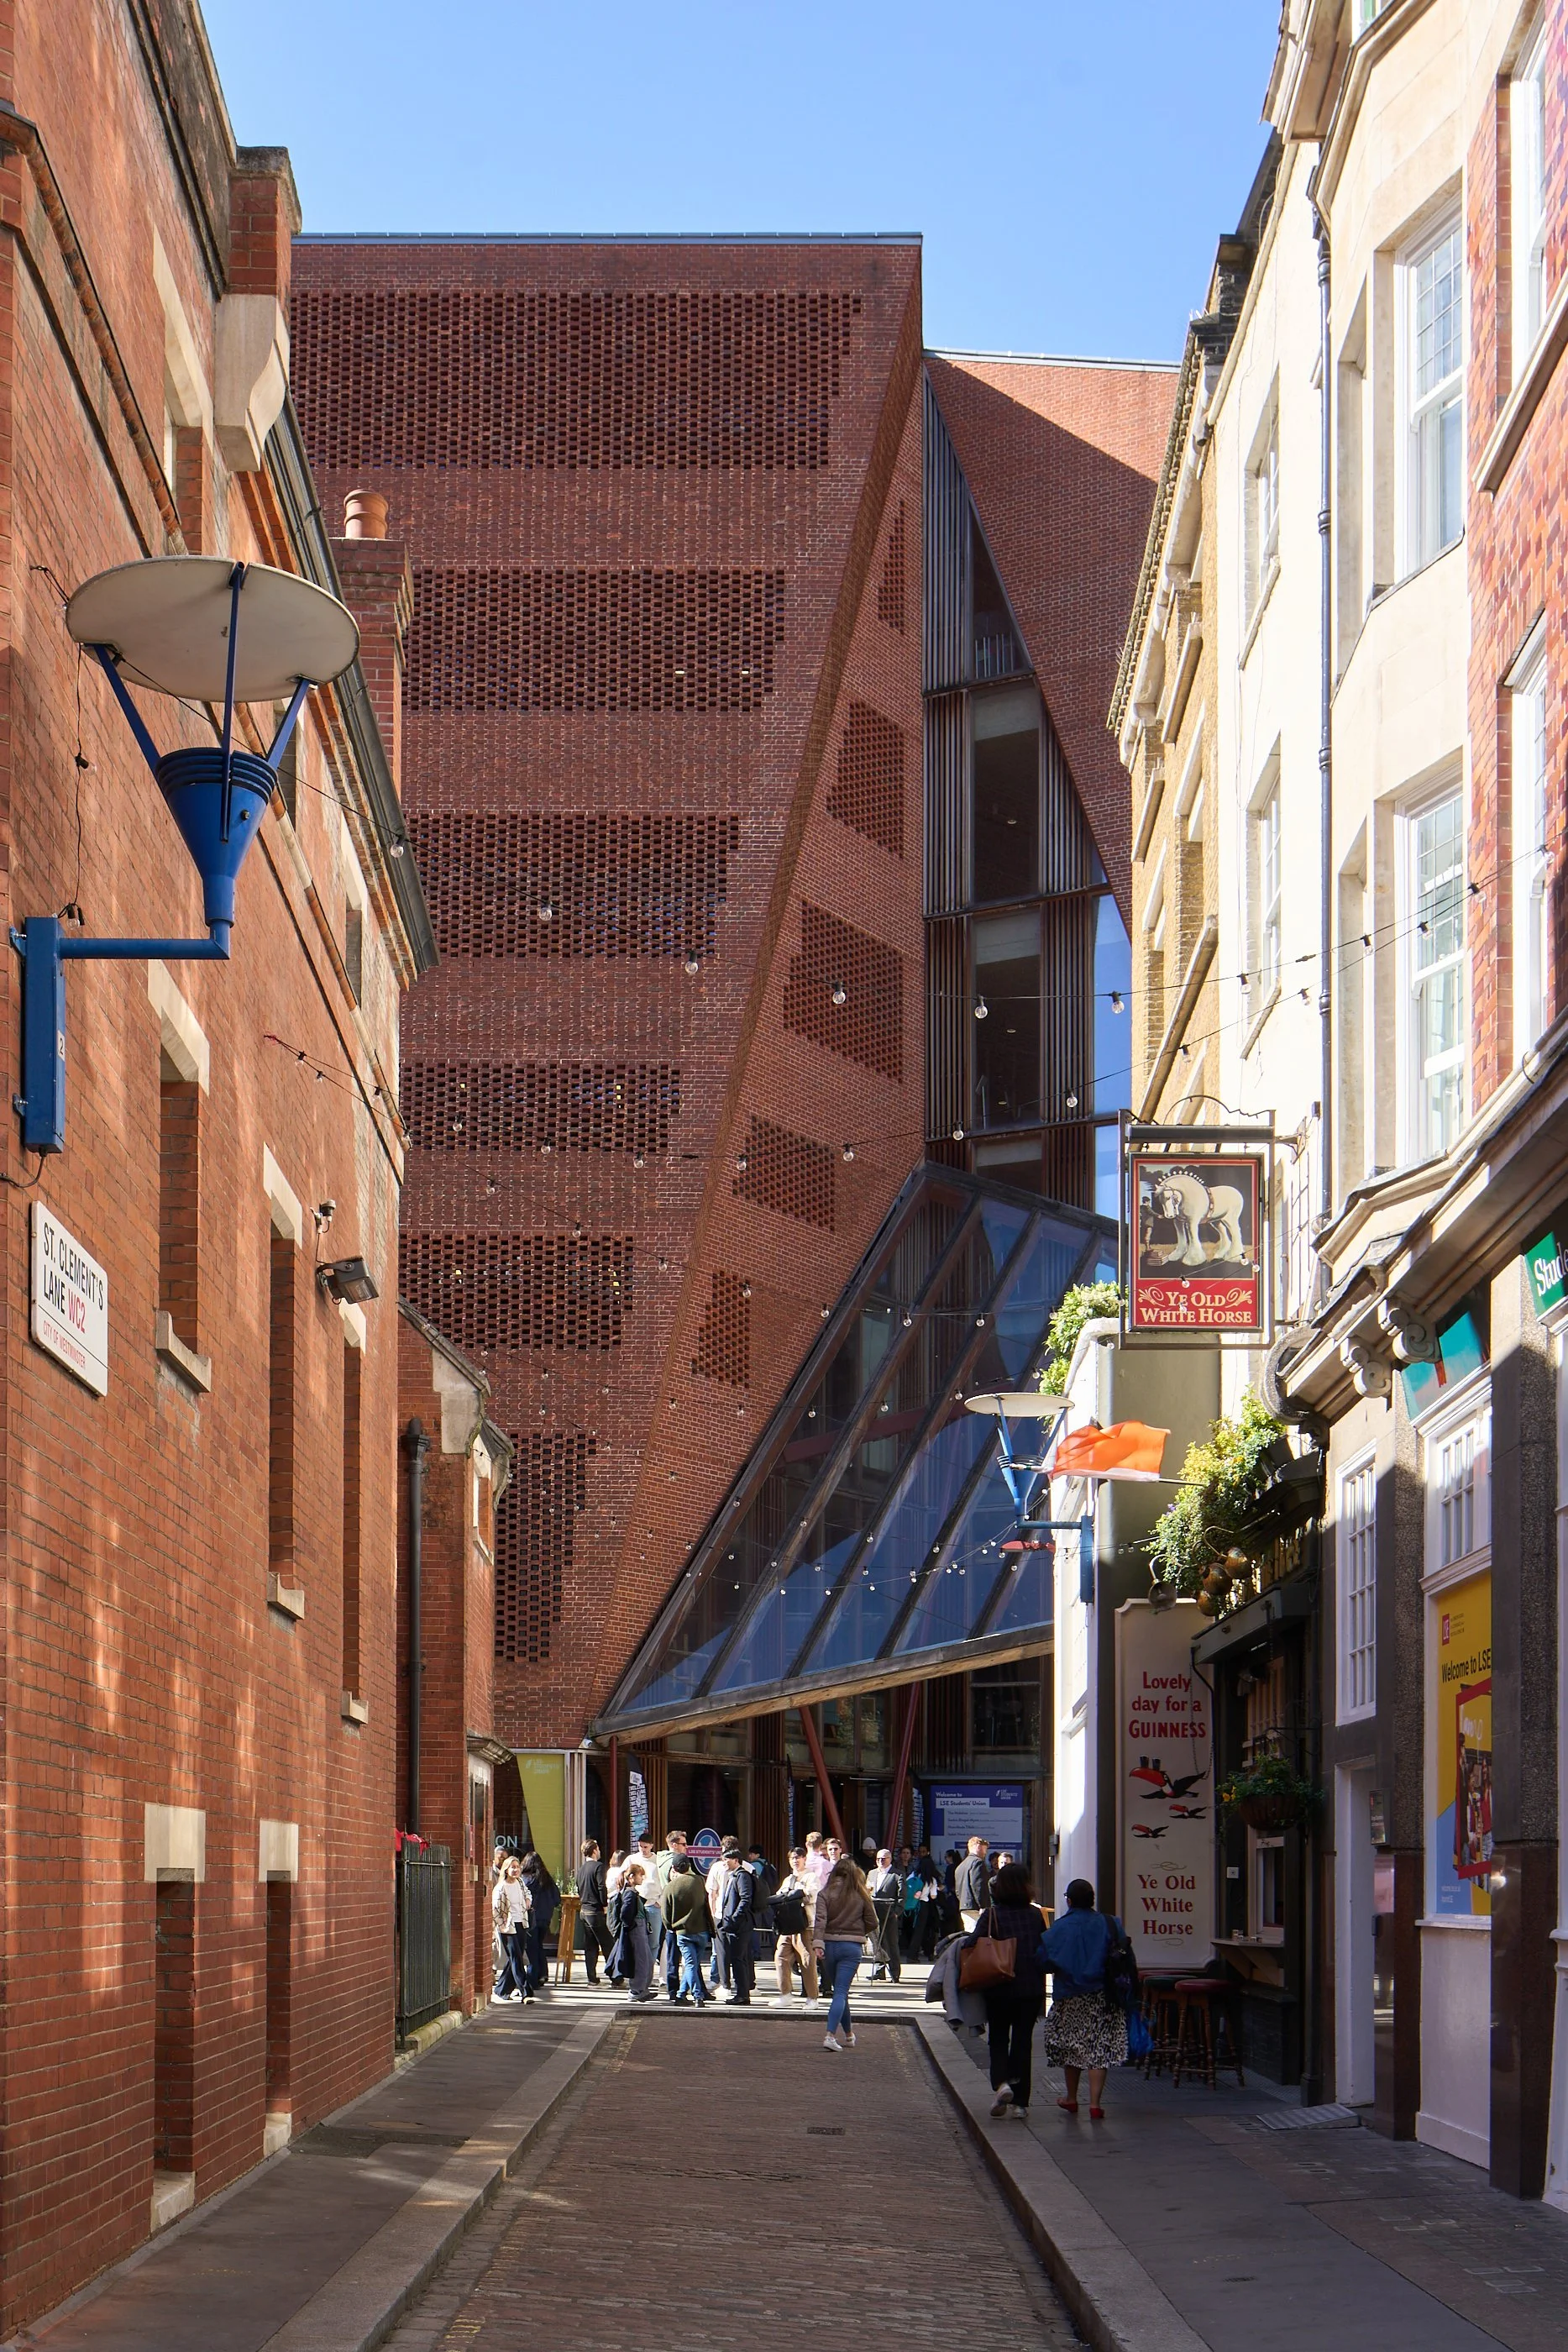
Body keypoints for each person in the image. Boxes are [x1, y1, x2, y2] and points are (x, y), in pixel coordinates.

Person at [962, 1861, 1046, 2118]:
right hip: (1030, 1989)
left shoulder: (992, 1915)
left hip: (998, 1987)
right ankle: (1020, 2103)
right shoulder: (1035, 1915)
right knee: (1023, 2043)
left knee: (998, 2039)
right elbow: (1044, 1948)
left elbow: (971, 1943)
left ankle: (1001, 2084)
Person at [1041, 1877, 1127, 2118]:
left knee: (1072, 2046)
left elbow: (1043, 1960)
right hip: (1102, 1994)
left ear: (1068, 1900)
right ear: (1092, 1900)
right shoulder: (1110, 1923)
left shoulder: (1059, 1928)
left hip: (1069, 1995)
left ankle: (1071, 2098)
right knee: (1099, 2047)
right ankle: (1095, 2104)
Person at [812, 1851, 878, 2052]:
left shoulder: (825, 1894)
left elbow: (820, 1921)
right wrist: (859, 1931)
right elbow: (873, 1921)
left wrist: (818, 1943)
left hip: (829, 1945)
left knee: (840, 1992)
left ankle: (849, 2035)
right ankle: (830, 2035)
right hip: (851, 1946)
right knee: (841, 1992)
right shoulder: (861, 1894)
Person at [659, 1846, 714, 2005]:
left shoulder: (670, 1887)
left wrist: (670, 1927)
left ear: (674, 1868)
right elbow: (705, 1903)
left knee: (690, 1964)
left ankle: (697, 1996)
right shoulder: (699, 1881)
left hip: (682, 1932)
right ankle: (682, 1994)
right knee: (693, 1964)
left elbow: (665, 1914)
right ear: (689, 1866)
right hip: (701, 1930)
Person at [768, 1846, 820, 2004]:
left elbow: (812, 1895)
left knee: (807, 1961)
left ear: (804, 1859)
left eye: (798, 1857)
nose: (795, 1861)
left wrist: (795, 1894)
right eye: (792, 1858)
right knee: (780, 1957)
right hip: (787, 1925)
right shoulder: (788, 1879)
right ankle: (785, 1994)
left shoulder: (811, 1877)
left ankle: (812, 1998)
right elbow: (780, 1896)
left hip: (805, 1924)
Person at [714, 1838, 756, 2004]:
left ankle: (743, 1995)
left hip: (740, 1926)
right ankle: (741, 1994)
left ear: (736, 1860)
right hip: (733, 1924)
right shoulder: (734, 1875)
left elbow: (745, 1899)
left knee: (739, 1959)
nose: (724, 1863)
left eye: (727, 1860)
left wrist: (734, 1919)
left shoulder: (742, 1876)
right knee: (737, 1959)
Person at [610, 1859, 656, 1999]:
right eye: (640, 1875)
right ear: (631, 1877)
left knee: (646, 1960)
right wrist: (632, 1926)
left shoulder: (631, 1892)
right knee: (642, 1960)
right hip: (636, 1929)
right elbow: (625, 1914)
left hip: (638, 1928)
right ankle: (637, 1991)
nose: (642, 1878)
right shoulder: (630, 1893)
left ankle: (642, 1989)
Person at [490, 1857, 532, 2004]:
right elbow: (495, 1909)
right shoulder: (501, 1887)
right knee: (516, 1959)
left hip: (521, 1923)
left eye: (517, 1867)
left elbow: (527, 1893)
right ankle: (525, 1992)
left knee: (515, 1958)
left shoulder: (520, 1883)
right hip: (508, 1927)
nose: (516, 1870)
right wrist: (501, 1926)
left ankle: (501, 1989)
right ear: (506, 1870)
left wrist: (528, 1900)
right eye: (512, 1867)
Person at [655, 1830, 691, 2000]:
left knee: (667, 1948)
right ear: (674, 1845)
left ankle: (669, 1983)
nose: (686, 1847)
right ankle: (680, 1987)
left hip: (664, 1908)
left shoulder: (658, 1859)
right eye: (683, 1844)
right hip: (678, 1910)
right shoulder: (677, 1863)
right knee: (681, 1951)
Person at [519, 1850, 557, 1993]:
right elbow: (557, 1898)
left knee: (532, 1949)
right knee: (539, 1945)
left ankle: (533, 1979)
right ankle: (542, 1973)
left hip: (531, 1918)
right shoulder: (547, 1879)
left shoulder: (524, 1880)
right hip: (545, 1918)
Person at [577, 1839, 613, 1985]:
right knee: (608, 1944)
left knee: (590, 1945)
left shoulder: (581, 1869)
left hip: (584, 1910)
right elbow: (601, 1887)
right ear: (594, 1851)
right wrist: (604, 1904)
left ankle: (592, 1977)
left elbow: (579, 1887)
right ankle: (615, 1976)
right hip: (595, 1910)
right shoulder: (598, 1867)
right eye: (598, 1849)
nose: (599, 1851)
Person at [866, 1848, 904, 1983]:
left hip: (889, 1913)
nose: (880, 1861)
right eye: (878, 1859)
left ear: (890, 1859)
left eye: (883, 1859)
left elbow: (902, 1896)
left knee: (891, 1942)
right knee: (877, 1942)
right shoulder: (872, 1873)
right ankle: (879, 1970)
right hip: (874, 1912)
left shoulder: (897, 1874)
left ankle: (894, 1972)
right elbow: (867, 1890)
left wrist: (897, 1912)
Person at [956, 1835, 992, 1929]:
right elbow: (978, 1887)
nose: (985, 1853)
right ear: (978, 1847)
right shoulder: (978, 1862)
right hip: (976, 1908)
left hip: (964, 1907)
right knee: (978, 1934)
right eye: (985, 1849)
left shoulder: (960, 1866)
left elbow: (957, 1890)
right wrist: (983, 1906)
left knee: (970, 1932)